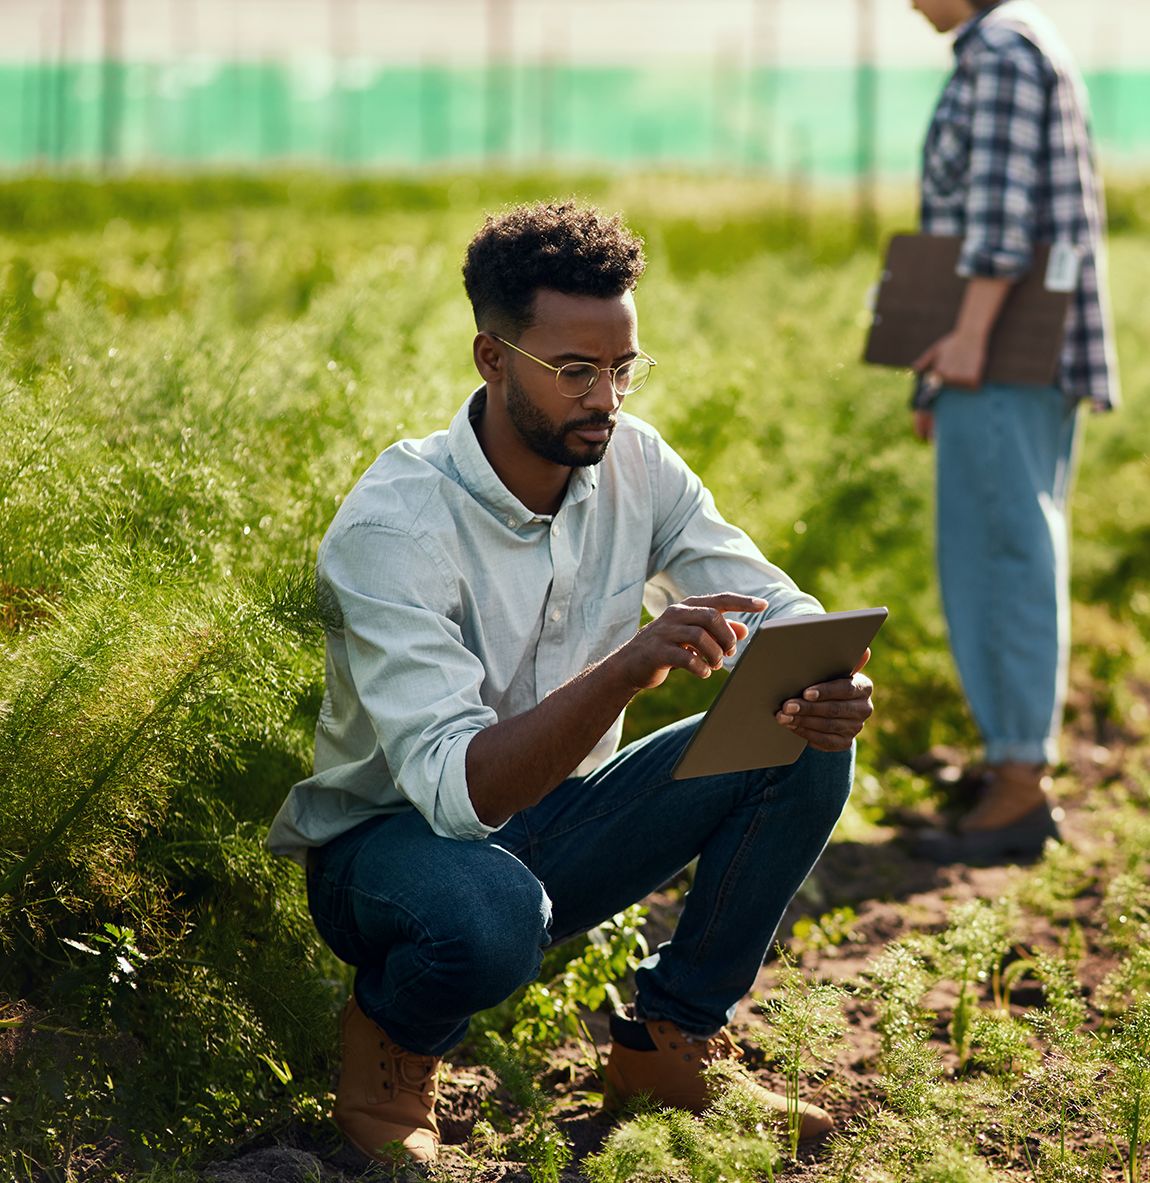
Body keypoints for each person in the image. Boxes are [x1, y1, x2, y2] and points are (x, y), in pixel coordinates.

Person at [265, 201, 873, 1165]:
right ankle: (389, 1046)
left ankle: (666, 1045)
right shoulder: (397, 527)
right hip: (390, 853)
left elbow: (769, 602)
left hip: (553, 823)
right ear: (492, 358)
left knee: (798, 734)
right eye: (576, 372)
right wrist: (627, 668)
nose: (607, 398)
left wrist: (822, 672)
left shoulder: (636, 463)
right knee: (487, 917)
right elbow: (462, 792)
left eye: (623, 368)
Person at [869, 0, 1118, 864]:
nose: (909, 4)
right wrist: (942, 364)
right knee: (1007, 547)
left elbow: (1000, 224)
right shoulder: (1019, 44)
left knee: (1002, 559)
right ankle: (1010, 768)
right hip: (1007, 353)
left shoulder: (1003, 52)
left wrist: (965, 342)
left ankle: (1017, 788)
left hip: (1006, 352)